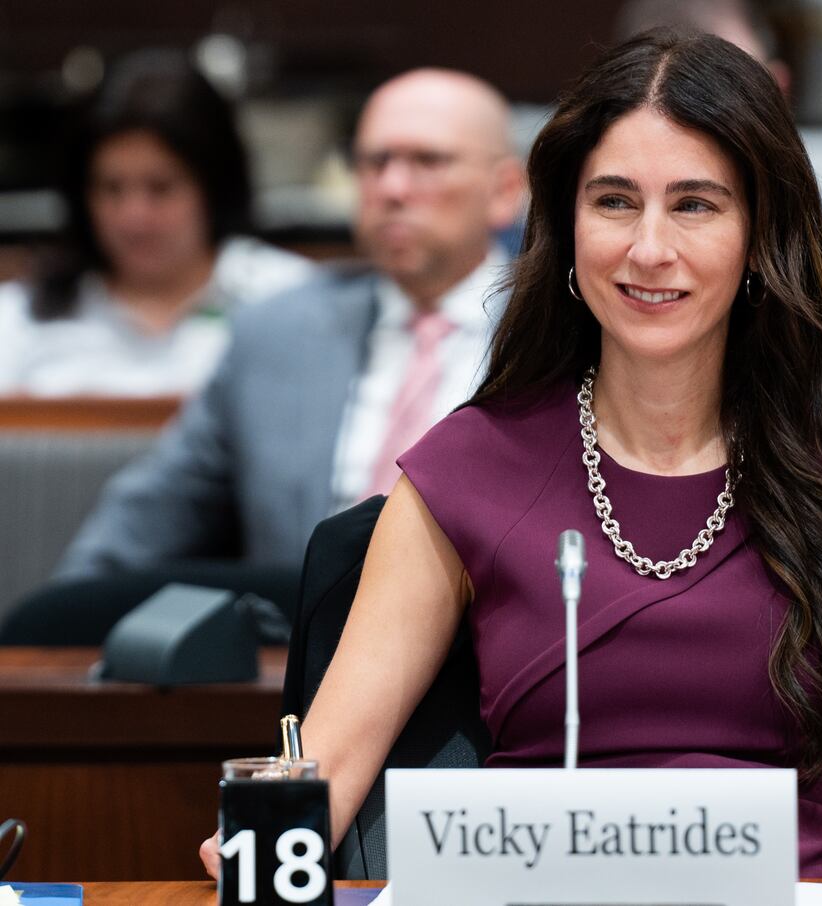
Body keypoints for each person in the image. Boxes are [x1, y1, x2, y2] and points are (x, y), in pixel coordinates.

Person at [202, 32, 822, 882]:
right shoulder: (465, 469)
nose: (649, 249)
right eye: (614, 201)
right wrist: (261, 827)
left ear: (758, 236)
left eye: (695, 204)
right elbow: (322, 772)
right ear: (567, 226)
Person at [0, 68, 524, 644]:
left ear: (504, 190)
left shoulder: (559, 334)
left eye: (427, 161)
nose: (392, 188)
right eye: (373, 163)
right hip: (296, 680)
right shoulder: (276, 333)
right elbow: (140, 528)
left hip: (492, 669)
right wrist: (48, 638)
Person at [610, 0, 822, 376]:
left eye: (727, 95)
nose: (650, 251)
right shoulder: (549, 253)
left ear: (777, 91)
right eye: (614, 202)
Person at [0, 49, 314, 397]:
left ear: (214, 186)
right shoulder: (19, 320)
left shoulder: (292, 299)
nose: (134, 216)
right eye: (111, 189)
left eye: (160, 188)